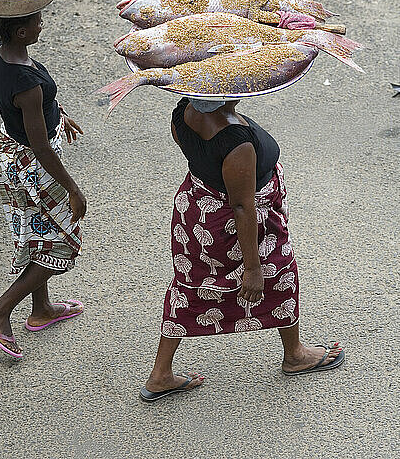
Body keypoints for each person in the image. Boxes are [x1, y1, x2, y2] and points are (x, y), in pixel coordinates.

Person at [140, 97, 344, 401]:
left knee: (191, 287)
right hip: (236, 225)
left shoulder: (183, 111)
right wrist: (252, 268)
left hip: (196, 212)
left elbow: (201, 160)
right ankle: (295, 355)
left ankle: (160, 374)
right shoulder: (236, 143)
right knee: (280, 275)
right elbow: (241, 205)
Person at [0, 12, 87, 359]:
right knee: (64, 244)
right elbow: (39, 147)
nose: (42, 25)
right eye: (37, 22)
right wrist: (72, 188)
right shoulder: (27, 84)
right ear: (21, 31)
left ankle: (41, 310)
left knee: (39, 233)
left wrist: (52, 111)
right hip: (34, 164)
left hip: (9, 151)